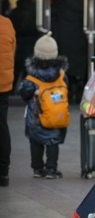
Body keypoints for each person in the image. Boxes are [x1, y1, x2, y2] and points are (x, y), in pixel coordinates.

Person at [18, 33, 69, 179]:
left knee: (35, 141)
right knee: (53, 141)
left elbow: (24, 93)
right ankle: (51, 169)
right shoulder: (61, 73)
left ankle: (38, 168)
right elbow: (66, 87)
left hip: (35, 115)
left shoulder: (31, 74)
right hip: (55, 113)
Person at [8, 0, 41, 89]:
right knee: (28, 70)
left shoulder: (15, 12)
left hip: (18, 43)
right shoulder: (35, 11)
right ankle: (28, 90)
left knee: (16, 69)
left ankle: (11, 90)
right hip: (31, 42)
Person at [0, 15, 16, 186]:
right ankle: (3, 172)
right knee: (2, 126)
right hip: (3, 83)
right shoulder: (7, 23)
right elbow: (12, 51)